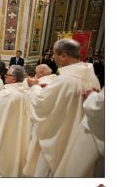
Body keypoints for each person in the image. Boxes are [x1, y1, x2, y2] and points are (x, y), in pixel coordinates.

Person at [24, 39, 100, 177]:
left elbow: (41, 105)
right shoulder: (91, 75)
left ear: (64, 55)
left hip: (59, 139)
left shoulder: (65, 80)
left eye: (54, 54)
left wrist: (34, 86)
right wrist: (52, 91)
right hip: (77, 139)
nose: (52, 57)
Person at [53, 88, 105, 177]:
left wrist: (92, 97)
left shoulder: (65, 79)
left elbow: (100, 106)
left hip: (92, 133)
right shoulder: (92, 79)